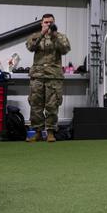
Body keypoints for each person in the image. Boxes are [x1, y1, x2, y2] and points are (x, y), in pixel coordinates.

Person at [25, 13, 71, 142]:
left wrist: (54, 35)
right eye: (46, 22)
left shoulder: (60, 37)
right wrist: (42, 34)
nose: (48, 24)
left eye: (51, 22)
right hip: (37, 76)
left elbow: (65, 49)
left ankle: (50, 132)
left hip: (53, 76)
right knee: (36, 105)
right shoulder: (35, 36)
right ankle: (37, 132)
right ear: (41, 23)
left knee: (52, 105)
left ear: (54, 23)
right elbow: (30, 47)